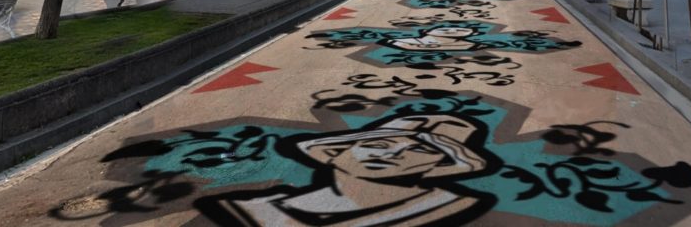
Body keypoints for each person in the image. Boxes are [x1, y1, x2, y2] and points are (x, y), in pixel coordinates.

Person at [195, 113, 499, 225]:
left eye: (420, 148)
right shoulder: (255, 207)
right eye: (379, 144)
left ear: (438, 165)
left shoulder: (445, 206)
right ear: (339, 148)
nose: (395, 152)